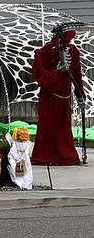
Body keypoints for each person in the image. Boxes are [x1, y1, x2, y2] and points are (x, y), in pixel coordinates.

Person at [31, 25, 84, 166]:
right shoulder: (48, 49)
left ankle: (64, 154)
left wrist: (80, 94)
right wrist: (56, 74)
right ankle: (45, 155)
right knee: (48, 126)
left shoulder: (73, 50)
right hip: (50, 96)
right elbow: (38, 72)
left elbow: (77, 74)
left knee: (63, 128)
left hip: (64, 97)